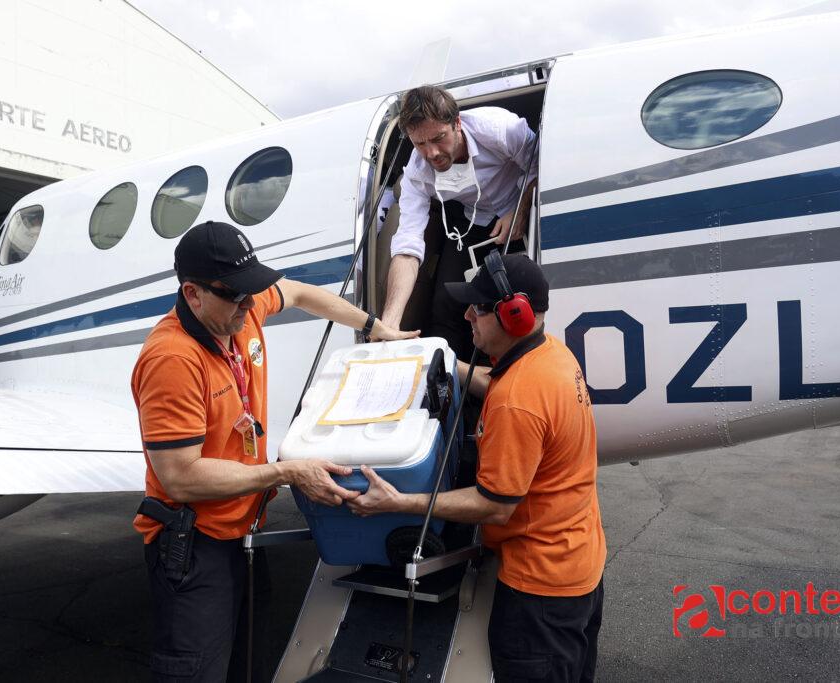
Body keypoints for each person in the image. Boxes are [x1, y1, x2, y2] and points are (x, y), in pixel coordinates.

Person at [131, 220, 416, 682]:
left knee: (248, 665)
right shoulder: (173, 360)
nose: (249, 304)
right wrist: (285, 472)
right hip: (196, 544)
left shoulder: (238, 309)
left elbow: (300, 293)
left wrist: (374, 326)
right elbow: (180, 477)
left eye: (252, 291)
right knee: (197, 670)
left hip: (242, 530)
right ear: (193, 294)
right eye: (236, 295)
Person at [350, 253, 606, 682]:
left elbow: (494, 505)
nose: (467, 314)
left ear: (515, 315)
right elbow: (501, 382)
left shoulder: (517, 402)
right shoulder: (552, 355)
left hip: (540, 593)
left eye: (479, 308)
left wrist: (399, 501)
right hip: (579, 566)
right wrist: (441, 358)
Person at [374, 85, 538, 363]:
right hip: (470, 222)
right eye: (420, 144)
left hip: (520, 206)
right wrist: (389, 322)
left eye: (438, 138)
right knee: (446, 303)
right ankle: (450, 379)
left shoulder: (500, 129)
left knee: (504, 302)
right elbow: (407, 247)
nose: (432, 153)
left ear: (457, 123)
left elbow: (538, 164)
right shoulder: (417, 172)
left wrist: (520, 209)